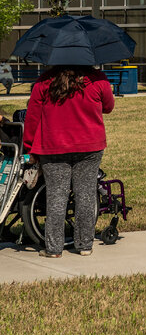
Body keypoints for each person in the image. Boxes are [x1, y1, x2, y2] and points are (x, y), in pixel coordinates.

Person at [23, 65, 114, 257]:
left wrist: (29, 146)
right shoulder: (98, 79)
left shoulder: (44, 81)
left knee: (56, 196)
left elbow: (32, 117)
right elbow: (108, 107)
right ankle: (84, 246)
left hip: (53, 145)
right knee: (86, 194)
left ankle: (54, 249)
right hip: (90, 145)